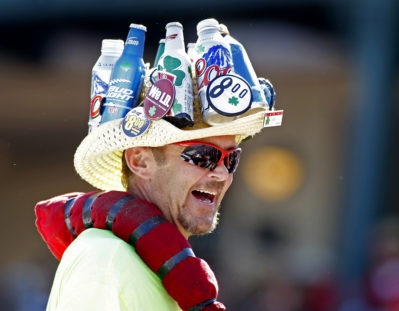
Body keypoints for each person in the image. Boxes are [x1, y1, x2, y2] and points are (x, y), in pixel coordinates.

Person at [35, 20, 279, 311]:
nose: (222, 173)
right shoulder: (104, 259)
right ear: (140, 161)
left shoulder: (160, 268)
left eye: (232, 158)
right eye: (203, 156)